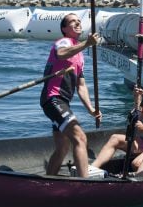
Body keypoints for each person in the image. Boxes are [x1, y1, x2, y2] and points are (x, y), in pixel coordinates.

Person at [40, 13, 102, 178]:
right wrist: (87, 43)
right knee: (80, 138)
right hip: (53, 98)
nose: (77, 23)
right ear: (64, 29)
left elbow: (81, 85)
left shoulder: (80, 55)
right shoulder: (64, 42)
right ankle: (85, 184)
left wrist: (91, 109)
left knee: (63, 147)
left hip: (62, 101)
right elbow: (61, 53)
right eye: (72, 21)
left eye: (79, 21)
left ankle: (49, 181)